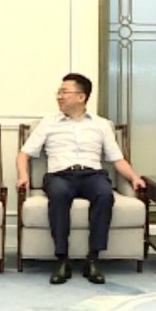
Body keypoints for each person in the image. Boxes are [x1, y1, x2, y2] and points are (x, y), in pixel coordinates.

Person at [16, 73, 146, 285]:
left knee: (105, 194)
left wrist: (134, 177)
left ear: (81, 97)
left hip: (92, 174)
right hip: (60, 175)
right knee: (58, 195)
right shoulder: (48, 122)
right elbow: (24, 154)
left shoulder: (101, 125)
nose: (59, 96)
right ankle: (62, 259)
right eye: (59, 92)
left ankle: (93, 258)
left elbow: (117, 158)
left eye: (64, 92)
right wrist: (23, 176)